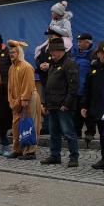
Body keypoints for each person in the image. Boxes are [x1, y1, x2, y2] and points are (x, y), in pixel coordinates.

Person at [39, 37, 80, 166]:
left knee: (69, 133)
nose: (51, 54)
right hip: (52, 105)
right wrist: (45, 103)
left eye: (53, 52)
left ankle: (74, 157)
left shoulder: (69, 64)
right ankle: (55, 156)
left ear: (61, 51)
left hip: (63, 106)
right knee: (54, 133)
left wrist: (66, 104)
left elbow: (73, 87)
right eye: (51, 52)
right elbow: (48, 86)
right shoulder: (53, 64)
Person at [83, 42, 104, 171]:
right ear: (98, 54)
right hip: (98, 108)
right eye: (103, 53)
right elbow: (88, 90)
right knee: (103, 136)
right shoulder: (94, 69)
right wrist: (85, 106)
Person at [5, 40, 38, 159]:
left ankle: (30, 151)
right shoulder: (11, 68)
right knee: (16, 125)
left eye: (14, 52)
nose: (11, 54)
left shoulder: (26, 67)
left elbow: (28, 85)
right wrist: (11, 100)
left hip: (28, 100)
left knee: (29, 123)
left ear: (19, 53)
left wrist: (24, 99)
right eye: (10, 52)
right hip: (16, 101)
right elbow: (10, 86)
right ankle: (17, 149)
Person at [72, 34, 94, 146]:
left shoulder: (92, 55)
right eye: (78, 41)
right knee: (76, 113)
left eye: (81, 42)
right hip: (76, 88)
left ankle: (90, 132)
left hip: (87, 89)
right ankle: (77, 132)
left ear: (87, 43)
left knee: (87, 113)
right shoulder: (75, 54)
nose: (78, 44)